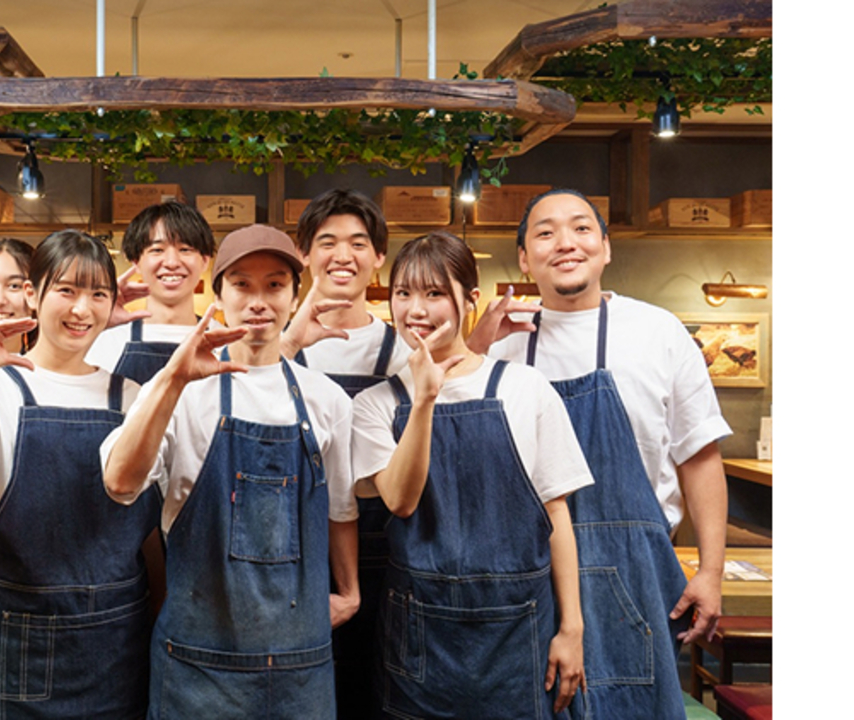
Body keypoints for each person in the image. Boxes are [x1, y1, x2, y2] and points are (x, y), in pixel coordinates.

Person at [476, 188, 730, 719]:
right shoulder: (500, 346)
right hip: (528, 572)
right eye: (545, 233)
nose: (565, 243)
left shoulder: (658, 332)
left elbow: (699, 458)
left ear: (606, 248)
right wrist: (474, 349)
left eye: (581, 228)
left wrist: (711, 571)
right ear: (524, 258)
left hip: (635, 576)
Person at [101, 224, 359, 719]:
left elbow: (341, 507)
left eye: (275, 285)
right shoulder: (178, 388)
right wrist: (172, 380)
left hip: (299, 665)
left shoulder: (326, 399)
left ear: (293, 297)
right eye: (242, 284)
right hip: (197, 664)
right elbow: (119, 483)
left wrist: (350, 592)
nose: (258, 300)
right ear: (216, 294)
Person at [351, 231, 591, 718]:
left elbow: (557, 514)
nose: (416, 309)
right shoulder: (374, 405)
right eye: (403, 293)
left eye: (434, 293)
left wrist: (573, 629)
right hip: (420, 635)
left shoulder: (525, 388)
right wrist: (424, 397)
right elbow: (399, 500)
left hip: (519, 630)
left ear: (470, 300)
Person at [0, 230, 159, 719]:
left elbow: (147, 532)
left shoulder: (133, 397)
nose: (82, 310)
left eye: (98, 294)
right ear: (34, 293)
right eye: (67, 290)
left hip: (118, 636)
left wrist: (159, 609)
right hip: (20, 635)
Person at [282, 188, 412, 719]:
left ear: (378, 257)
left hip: (387, 543)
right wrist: (288, 342)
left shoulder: (403, 349)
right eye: (327, 241)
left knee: (377, 686)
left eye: (359, 243)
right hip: (294, 539)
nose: (343, 255)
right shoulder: (277, 343)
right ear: (305, 253)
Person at [85, 200, 217, 384]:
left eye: (185, 249)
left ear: (204, 260)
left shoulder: (226, 342)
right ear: (136, 261)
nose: (171, 262)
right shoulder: (107, 342)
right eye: (157, 250)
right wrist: (96, 323)